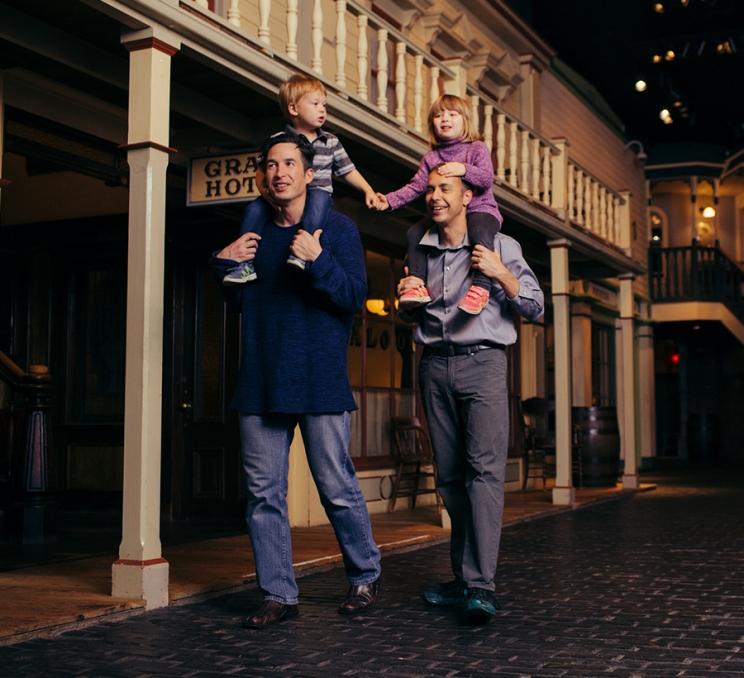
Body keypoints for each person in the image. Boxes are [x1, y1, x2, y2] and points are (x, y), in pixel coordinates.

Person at [212, 132, 382, 629]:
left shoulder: (337, 228)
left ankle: (365, 575)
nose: (279, 171)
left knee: (336, 486)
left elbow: (353, 296)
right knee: (264, 494)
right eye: (271, 165)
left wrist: (317, 259)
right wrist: (224, 261)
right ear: (264, 177)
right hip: (260, 380)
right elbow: (239, 300)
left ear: (310, 174)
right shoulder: (254, 234)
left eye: (290, 163)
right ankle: (278, 593)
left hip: (318, 379)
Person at [397, 167, 544, 624]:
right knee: (450, 478)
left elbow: (536, 306)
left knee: (484, 474)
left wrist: (501, 274)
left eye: (445, 189)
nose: (435, 196)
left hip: (484, 362)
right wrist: (403, 295)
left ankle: (481, 585)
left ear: (467, 196)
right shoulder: (420, 249)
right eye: (431, 189)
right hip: (433, 365)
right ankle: (463, 578)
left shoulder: (500, 245)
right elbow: (412, 316)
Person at [223, 73, 380, 284]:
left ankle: (301, 253)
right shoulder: (277, 142)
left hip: (320, 195)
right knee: (254, 209)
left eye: (324, 105)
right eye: (315, 104)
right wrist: (272, 202)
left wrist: (368, 190)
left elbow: (347, 170)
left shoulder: (330, 141)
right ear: (294, 109)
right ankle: (244, 263)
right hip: (281, 200)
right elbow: (261, 175)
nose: (322, 109)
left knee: (318, 200)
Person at [376, 94, 503, 316]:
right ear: (432, 123)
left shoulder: (476, 148)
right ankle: (416, 282)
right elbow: (416, 186)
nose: (445, 119)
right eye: (438, 115)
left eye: (452, 114)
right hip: (447, 213)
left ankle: (482, 286)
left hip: (480, 209)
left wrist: (462, 169)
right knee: (415, 232)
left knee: (479, 233)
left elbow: (485, 179)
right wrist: (388, 200)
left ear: (465, 121)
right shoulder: (431, 157)